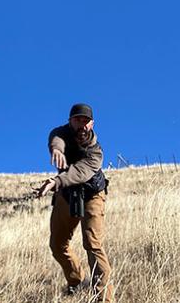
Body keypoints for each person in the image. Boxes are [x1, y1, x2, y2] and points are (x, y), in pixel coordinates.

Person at [33, 103, 113, 301]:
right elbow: (57, 137)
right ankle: (76, 281)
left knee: (93, 244)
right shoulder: (62, 132)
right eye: (77, 120)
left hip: (92, 195)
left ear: (92, 124)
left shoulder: (96, 152)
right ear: (70, 121)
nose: (82, 125)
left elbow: (79, 172)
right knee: (58, 244)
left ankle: (104, 298)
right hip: (67, 195)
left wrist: (56, 181)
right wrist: (56, 149)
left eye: (86, 121)